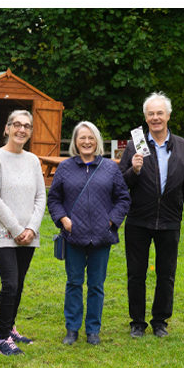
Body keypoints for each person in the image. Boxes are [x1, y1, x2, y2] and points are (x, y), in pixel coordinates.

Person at [118, 92, 184, 339]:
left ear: (168, 116)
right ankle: (137, 322)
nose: (155, 118)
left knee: (166, 273)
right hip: (138, 220)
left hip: (169, 221)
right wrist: (134, 169)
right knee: (136, 273)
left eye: (159, 113)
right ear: (145, 117)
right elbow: (120, 183)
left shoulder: (183, 147)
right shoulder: (136, 144)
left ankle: (160, 321)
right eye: (151, 114)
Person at [48, 121, 130, 345]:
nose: (86, 142)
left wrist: (112, 220)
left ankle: (93, 329)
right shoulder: (65, 168)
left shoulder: (110, 168)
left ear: (97, 142)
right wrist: (63, 219)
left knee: (96, 285)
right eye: (82, 138)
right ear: (75, 141)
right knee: (74, 283)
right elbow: (54, 199)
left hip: (101, 237)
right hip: (73, 236)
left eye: (91, 138)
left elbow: (123, 198)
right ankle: (72, 329)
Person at [0, 110, 46, 357]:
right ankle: (2, 339)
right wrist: (17, 229)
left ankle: (11, 328)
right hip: (3, 234)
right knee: (9, 283)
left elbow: (41, 196)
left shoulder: (32, 160)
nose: (22, 130)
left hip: (29, 234)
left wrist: (31, 228)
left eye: (27, 126)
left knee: (19, 284)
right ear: (7, 128)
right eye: (17, 125)